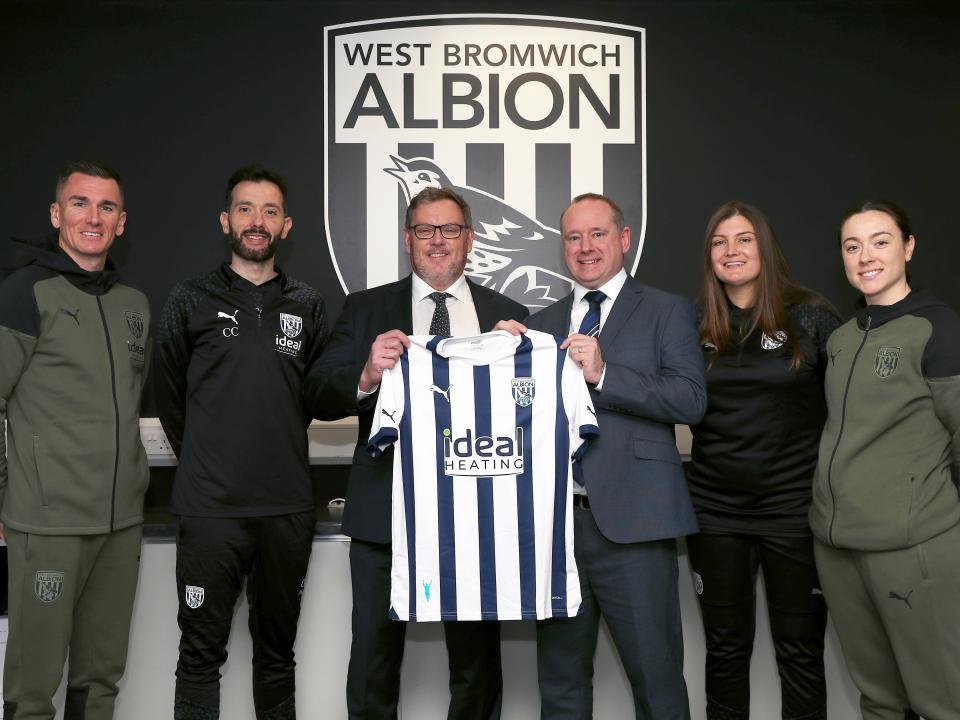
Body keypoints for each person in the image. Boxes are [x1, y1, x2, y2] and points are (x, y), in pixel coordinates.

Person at [304, 186, 527, 720]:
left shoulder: (509, 315)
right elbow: (317, 390)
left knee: (476, 667)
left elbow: (535, 417)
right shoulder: (365, 309)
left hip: (477, 516)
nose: (437, 241)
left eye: (450, 229)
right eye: (425, 230)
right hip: (386, 511)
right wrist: (366, 373)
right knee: (374, 662)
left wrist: (520, 363)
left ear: (469, 239)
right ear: (408, 240)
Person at [498, 193, 706, 719]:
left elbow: (689, 400)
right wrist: (499, 364)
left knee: (657, 682)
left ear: (623, 239)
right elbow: (518, 420)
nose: (585, 247)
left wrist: (605, 375)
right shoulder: (538, 323)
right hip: (556, 532)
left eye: (597, 234)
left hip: (635, 525)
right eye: (573, 237)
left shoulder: (666, 308)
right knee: (561, 687)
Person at [155, 166, 328, 720]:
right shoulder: (190, 298)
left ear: (287, 225)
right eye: (247, 209)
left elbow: (317, 395)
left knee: (278, 656)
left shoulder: (308, 303)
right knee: (200, 655)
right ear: (226, 220)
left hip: (286, 508)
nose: (258, 221)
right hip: (210, 512)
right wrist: (210, 461)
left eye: (270, 211)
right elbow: (169, 395)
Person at [0, 161, 150, 720]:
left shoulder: (134, 304)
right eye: (81, 203)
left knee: (100, 681)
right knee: (34, 687)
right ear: (56, 213)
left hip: (119, 524)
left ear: (122, 221)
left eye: (107, 207)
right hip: (48, 524)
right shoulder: (24, 293)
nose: (94, 217)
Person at [685, 201, 838, 720]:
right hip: (714, 511)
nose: (732, 251)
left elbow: (848, 414)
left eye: (745, 239)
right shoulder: (692, 323)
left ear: (765, 247)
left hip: (793, 511)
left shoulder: (811, 317)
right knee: (725, 651)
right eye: (720, 241)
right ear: (708, 255)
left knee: (800, 651)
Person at [810, 200, 960, 720]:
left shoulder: (937, 328)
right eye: (853, 246)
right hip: (838, 547)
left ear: (908, 247)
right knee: (878, 700)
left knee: (941, 700)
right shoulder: (843, 338)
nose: (866, 256)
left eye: (881, 241)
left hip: (912, 545)